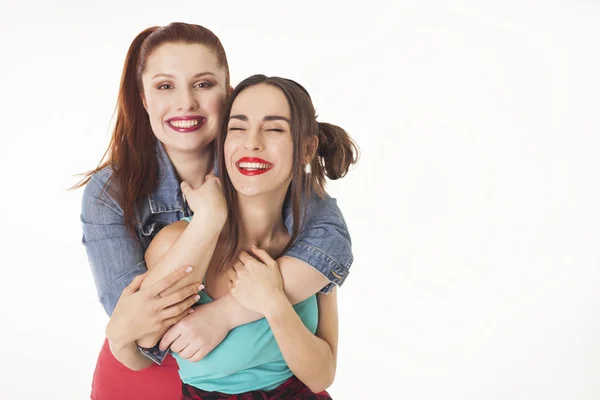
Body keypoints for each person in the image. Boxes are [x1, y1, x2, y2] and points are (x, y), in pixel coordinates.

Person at [77, 22, 354, 400]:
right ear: (144, 99)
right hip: (151, 373)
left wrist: (228, 313)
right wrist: (210, 219)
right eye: (164, 86)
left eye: (203, 84)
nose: (185, 102)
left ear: (229, 93)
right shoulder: (110, 192)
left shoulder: (262, 168)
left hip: (274, 370)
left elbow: (329, 247)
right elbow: (140, 332)